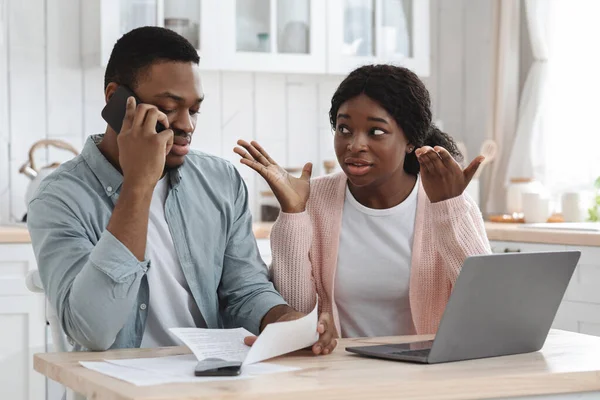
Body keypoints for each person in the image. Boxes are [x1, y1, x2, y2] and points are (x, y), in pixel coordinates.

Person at [27, 26, 336, 354]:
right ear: (116, 101)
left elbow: (244, 291)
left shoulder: (220, 181)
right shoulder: (59, 198)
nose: (187, 125)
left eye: (194, 110)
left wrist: (286, 321)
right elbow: (93, 331)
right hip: (116, 386)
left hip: (213, 379)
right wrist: (137, 185)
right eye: (170, 108)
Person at [234, 64, 491, 339]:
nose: (355, 145)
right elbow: (295, 320)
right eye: (344, 129)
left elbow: (488, 304)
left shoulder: (443, 202)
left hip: (426, 374)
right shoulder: (313, 199)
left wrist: (448, 210)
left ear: (410, 140)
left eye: (376, 132)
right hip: (334, 374)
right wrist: (293, 214)